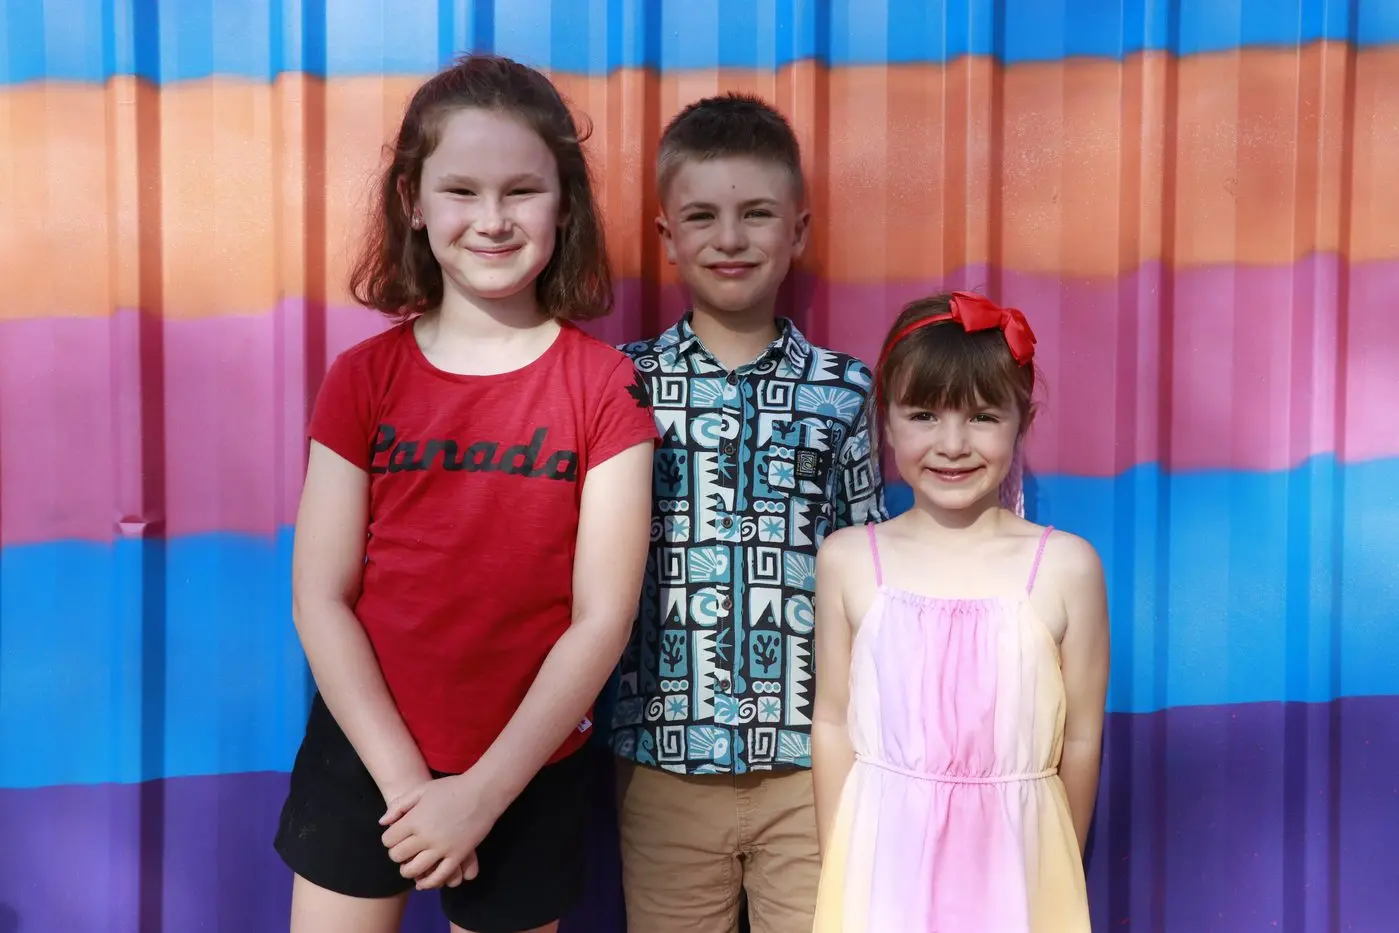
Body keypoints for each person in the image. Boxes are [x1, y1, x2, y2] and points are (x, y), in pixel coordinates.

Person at [272, 54, 657, 933]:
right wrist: (411, 790)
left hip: (527, 769)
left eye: (521, 190)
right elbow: (319, 596)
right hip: (364, 756)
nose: (492, 219)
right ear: (413, 199)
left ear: (563, 202)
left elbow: (601, 617)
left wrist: (481, 794)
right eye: (461, 191)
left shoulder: (605, 388)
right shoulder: (363, 378)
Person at [609, 93, 888, 933]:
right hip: (661, 762)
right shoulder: (622, 383)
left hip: (809, 765)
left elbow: (868, 575)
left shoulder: (843, 389)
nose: (729, 238)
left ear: (797, 230)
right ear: (666, 237)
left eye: (756, 214)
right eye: (702, 215)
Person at [809, 291, 1110, 932]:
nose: (951, 444)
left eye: (981, 416)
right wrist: (846, 862)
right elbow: (832, 723)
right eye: (923, 414)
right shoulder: (849, 559)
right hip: (881, 875)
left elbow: (1080, 739)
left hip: (1016, 872)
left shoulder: (1066, 567)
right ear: (885, 425)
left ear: (1020, 422)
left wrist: (1054, 862)